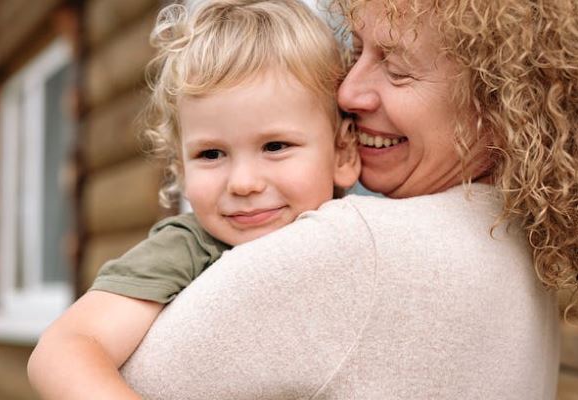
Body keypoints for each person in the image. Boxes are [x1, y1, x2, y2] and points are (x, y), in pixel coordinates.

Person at [112, 0, 578, 399]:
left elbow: (128, 379)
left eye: (396, 69)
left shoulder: (358, 248)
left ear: (497, 99)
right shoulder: (516, 237)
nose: (348, 92)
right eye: (356, 52)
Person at [27, 0, 360, 398]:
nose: (243, 182)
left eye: (275, 146)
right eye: (211, 154)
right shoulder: (189, 248)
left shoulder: (368, 232)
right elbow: (64, 348)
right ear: (181, 170)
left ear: (343, 154)